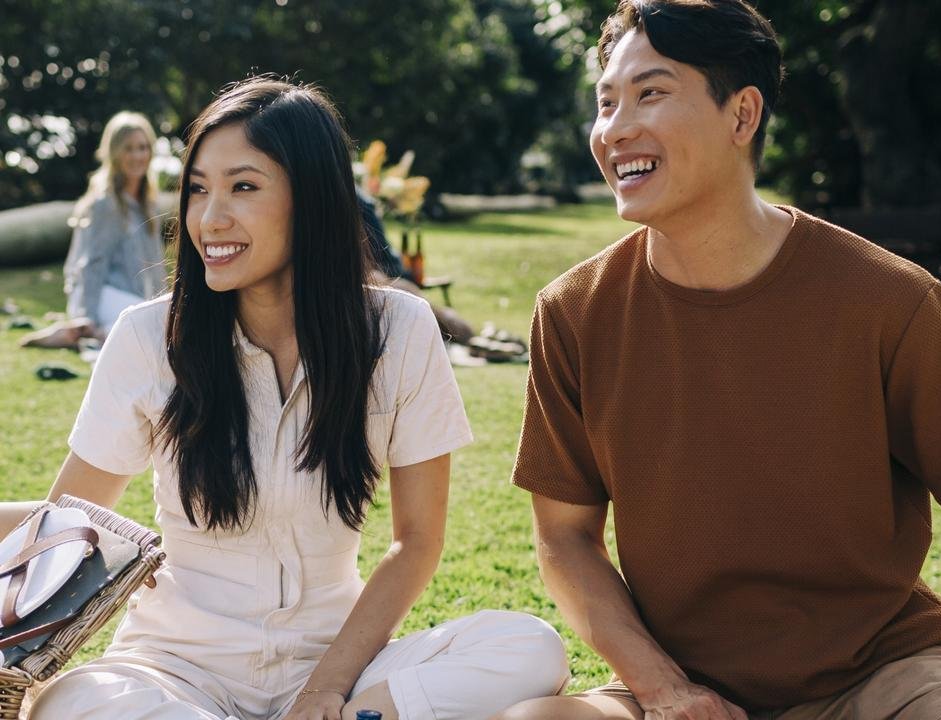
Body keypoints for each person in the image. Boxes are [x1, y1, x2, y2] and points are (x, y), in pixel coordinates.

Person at [496, 2, 941, 719]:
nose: (616, 128)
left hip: (884, 678)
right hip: (681, 683)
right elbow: (565, 540)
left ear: (741, 115)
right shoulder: (573, 313)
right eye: (606, 103)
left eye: (651, 93)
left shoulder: (890, 301)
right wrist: (667, 691)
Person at [2, 78, 568, 720]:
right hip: (173, 670)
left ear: (313, 199)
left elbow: (416, 542)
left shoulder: (401, 333)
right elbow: (63, 527)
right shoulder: (146, 339)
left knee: (528, 647)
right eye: (197, 188)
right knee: (78, 701)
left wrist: (324, 690)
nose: (209, 218)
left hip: (339, 664)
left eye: (243, 187)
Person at [20, 111, 168, 349]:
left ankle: (82, 334)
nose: (137, 155)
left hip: (130, 297)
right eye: (128, 148)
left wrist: (166, 301)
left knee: (161, 324)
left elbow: (156, 264)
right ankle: (82, 330)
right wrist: (85, 314)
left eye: (142, 147)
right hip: (100, 294)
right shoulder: (105, 204)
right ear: (114, 153)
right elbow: (91, 264)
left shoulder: (149, 205)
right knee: (148, 332)